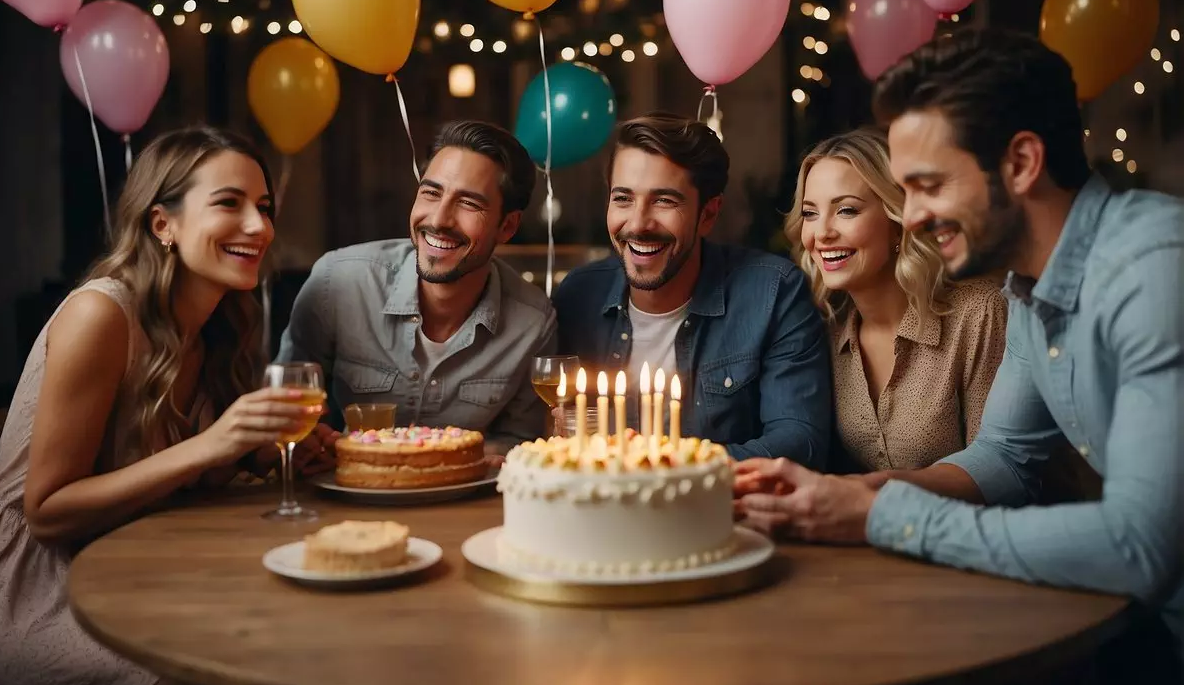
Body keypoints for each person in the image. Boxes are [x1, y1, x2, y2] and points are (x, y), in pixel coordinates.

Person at [736, 28, 1182, 685]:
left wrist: (884, 518)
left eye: (928, 186)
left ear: (1021, 163)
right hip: (1128, 628)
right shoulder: (1028, 292)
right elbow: (1003, 457)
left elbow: (1139, 549)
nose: (910, 216)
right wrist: (851, 494)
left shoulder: (1153, 269)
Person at [0, 126, 327, 685]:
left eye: (264, 208)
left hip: (134, 568)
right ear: (163, 223)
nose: (259, 227)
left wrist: (258, 450)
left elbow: (174, 470)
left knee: (284, 680)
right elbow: (48, 511)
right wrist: (212, 444)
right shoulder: (100, 314)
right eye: (229, 203)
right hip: (31, 591)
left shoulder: (220, 323)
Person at [554, 112, 832, 464]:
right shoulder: (577, 296)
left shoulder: (773, 292)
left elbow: (799, 440)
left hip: (720, 513)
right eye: (623, 198)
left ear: (708, 214)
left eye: (665, 201)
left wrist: (674, 468)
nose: (638, 224)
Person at [277, 120, 556, 453]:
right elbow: (286, 411)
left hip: (463, 499)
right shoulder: (336, 282)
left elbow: (518, 443)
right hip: (345, 494)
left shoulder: (533, 324)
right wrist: (311, 442)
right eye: (431, 193)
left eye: (469, 203)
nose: (438, 220)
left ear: (507, 227)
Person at [779, 126, 1007, 474]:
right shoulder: (825, 332)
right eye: (810, 213)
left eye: (847, 210)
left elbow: (998, 474)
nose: (822, 233)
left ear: (897, 223)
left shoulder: (979, 313)